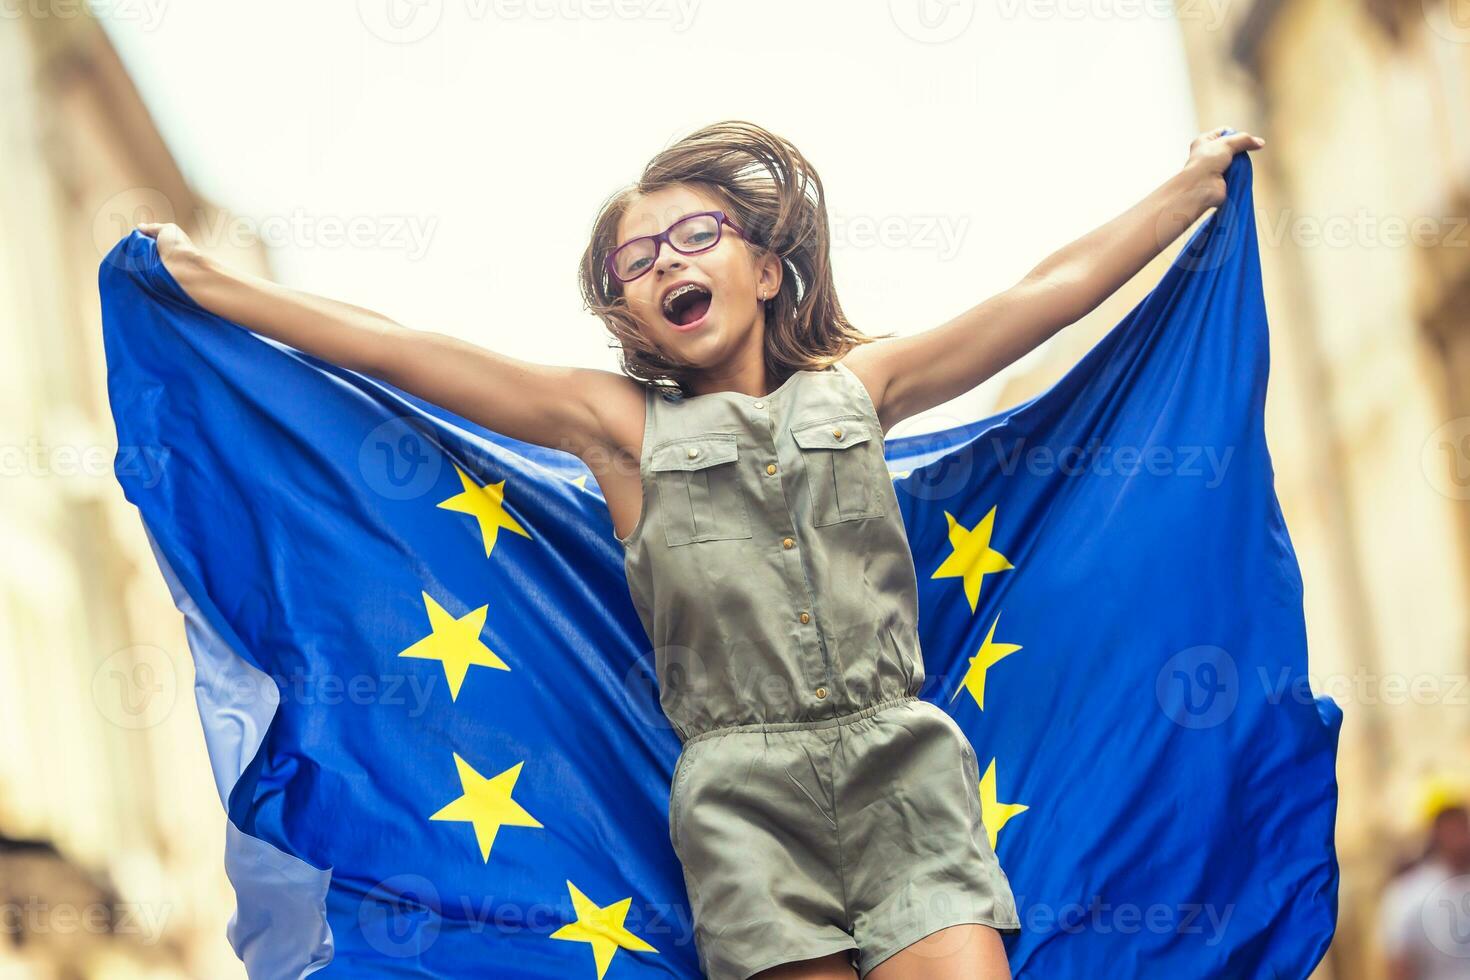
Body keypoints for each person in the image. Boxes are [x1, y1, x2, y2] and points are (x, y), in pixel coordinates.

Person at [137, 119, 1264, 980]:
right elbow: (404, 348)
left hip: (907, 774)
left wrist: (1186, 188)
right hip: (742, 805)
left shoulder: (863, 390)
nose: (665, 258)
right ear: (629, 315)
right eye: (636, 258)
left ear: (766, 271)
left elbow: (1041, 294)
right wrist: (214, 286)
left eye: (695, 234)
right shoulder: (618, 430)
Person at [1380, 775, 1470, 980]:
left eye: (1460, 821)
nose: (1457, 831)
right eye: (1447, 823)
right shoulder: (1408, 894)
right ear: (1433, 830)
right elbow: (1398, 963)